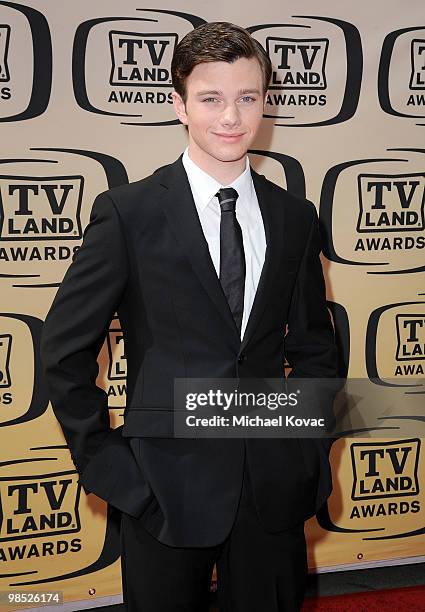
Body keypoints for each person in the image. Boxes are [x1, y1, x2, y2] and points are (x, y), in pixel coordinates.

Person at [40, 22, 338, 612]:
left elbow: (313, 349)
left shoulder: (294, 216)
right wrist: (110, 465)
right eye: (211, 98)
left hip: (272, 489)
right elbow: (63, 350)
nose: (231, 117)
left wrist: (307, 454)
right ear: (179, 105)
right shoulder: (129, 213)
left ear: (264, 102)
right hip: (162, 489)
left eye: (247, 98)